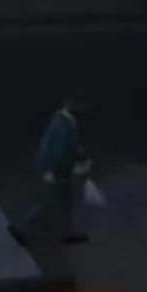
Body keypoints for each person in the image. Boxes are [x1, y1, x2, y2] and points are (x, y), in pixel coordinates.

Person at [11, 95, 91, 249]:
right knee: (49, 204)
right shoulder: (64, 123)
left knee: (65, 201)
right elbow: (59, 151)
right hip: (54, 170)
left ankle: (67, 232)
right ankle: (20, 228)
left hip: (53, 168)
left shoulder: (62, 119)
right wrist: (71, 165)